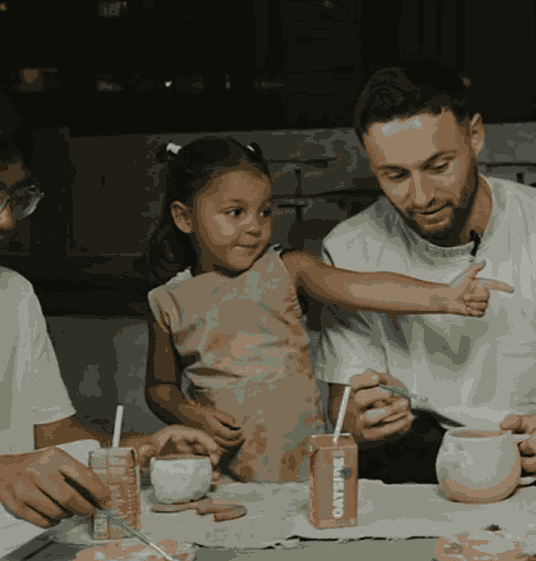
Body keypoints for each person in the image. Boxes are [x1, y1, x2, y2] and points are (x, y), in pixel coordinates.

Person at [0, 69, 220, 561]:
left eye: (17, 199)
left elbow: (53, 436)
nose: (6, 220)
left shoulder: (11, 295)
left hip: (12, 545)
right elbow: (8, 471)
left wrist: (135, 451)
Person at [314, 60, 536, 485]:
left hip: (532, 448)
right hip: (412, 455)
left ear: (475, 135)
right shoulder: (348, 248)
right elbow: (343, 409)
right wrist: (359, 422)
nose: (421, 197)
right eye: (395, 175)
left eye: (438, 166)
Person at [142, 135, 510, 483]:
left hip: (305, 467)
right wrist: (192, 414)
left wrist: (444, 297)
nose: (255, 226)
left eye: (265, 212)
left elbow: (360, 287)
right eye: (235, 212)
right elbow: (160, 388)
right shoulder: (166, 301)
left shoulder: (286, 269)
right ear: (184, 218)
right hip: (219, 474)